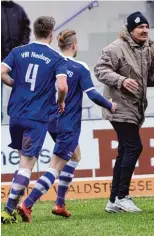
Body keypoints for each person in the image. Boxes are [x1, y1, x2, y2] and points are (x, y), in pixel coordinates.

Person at [16, 29, 117, 223]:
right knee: (55, 167)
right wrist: (110, 104)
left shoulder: (51, 64)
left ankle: (60, 203)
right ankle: (27, 204)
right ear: (74, 46)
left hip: (49, 119)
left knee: (75, 156)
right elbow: (93, 94)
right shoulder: (79, 67)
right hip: (67, 123)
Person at [94, 11, 154, 213]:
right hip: (118, 106)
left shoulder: (148, 49)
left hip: (136, 108)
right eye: (140, 27)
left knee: (124, 151)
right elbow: (100, 70)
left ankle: (113, 201)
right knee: (134, 146)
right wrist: (121, 80)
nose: (145, 30)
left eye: (146, 26)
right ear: (130, 30)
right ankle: (122, 196)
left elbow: (149, 78)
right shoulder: (115, 48)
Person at [1, 16, 68, 224]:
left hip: (16, 115)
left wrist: (14, 84)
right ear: (51, 33)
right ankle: (7, 210)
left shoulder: (18, 51)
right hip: (36, 117)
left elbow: (1, 71)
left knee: (23, 162)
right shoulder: (56, 58)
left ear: (34, 32)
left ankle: (13, 206)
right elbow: (63, 86)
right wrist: (61, 101)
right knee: (27, 166)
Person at [1, 0, 31, 122]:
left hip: (15, 58)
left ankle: (23, 117)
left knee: (21, 86)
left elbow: (26, 29)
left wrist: (20, 49)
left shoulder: (18, 10)